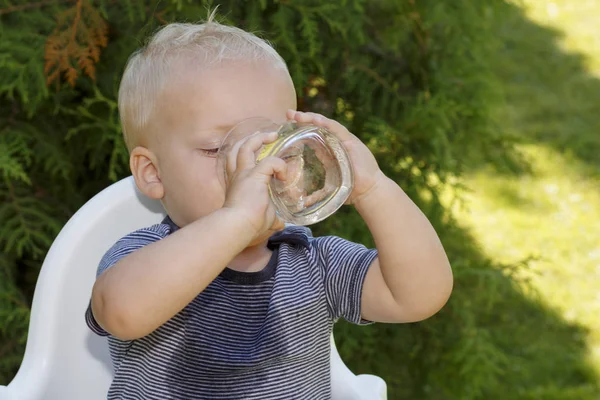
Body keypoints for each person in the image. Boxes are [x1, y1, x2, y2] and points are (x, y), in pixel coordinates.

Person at [85, 10, 453, 400]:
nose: (257, 166)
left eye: (277, 146)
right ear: (153, 173)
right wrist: (236, 219)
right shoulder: (145, 256)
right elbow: (122, 312)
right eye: (216, 149)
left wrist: (374, 188)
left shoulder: (313, 263)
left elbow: (420, 295)